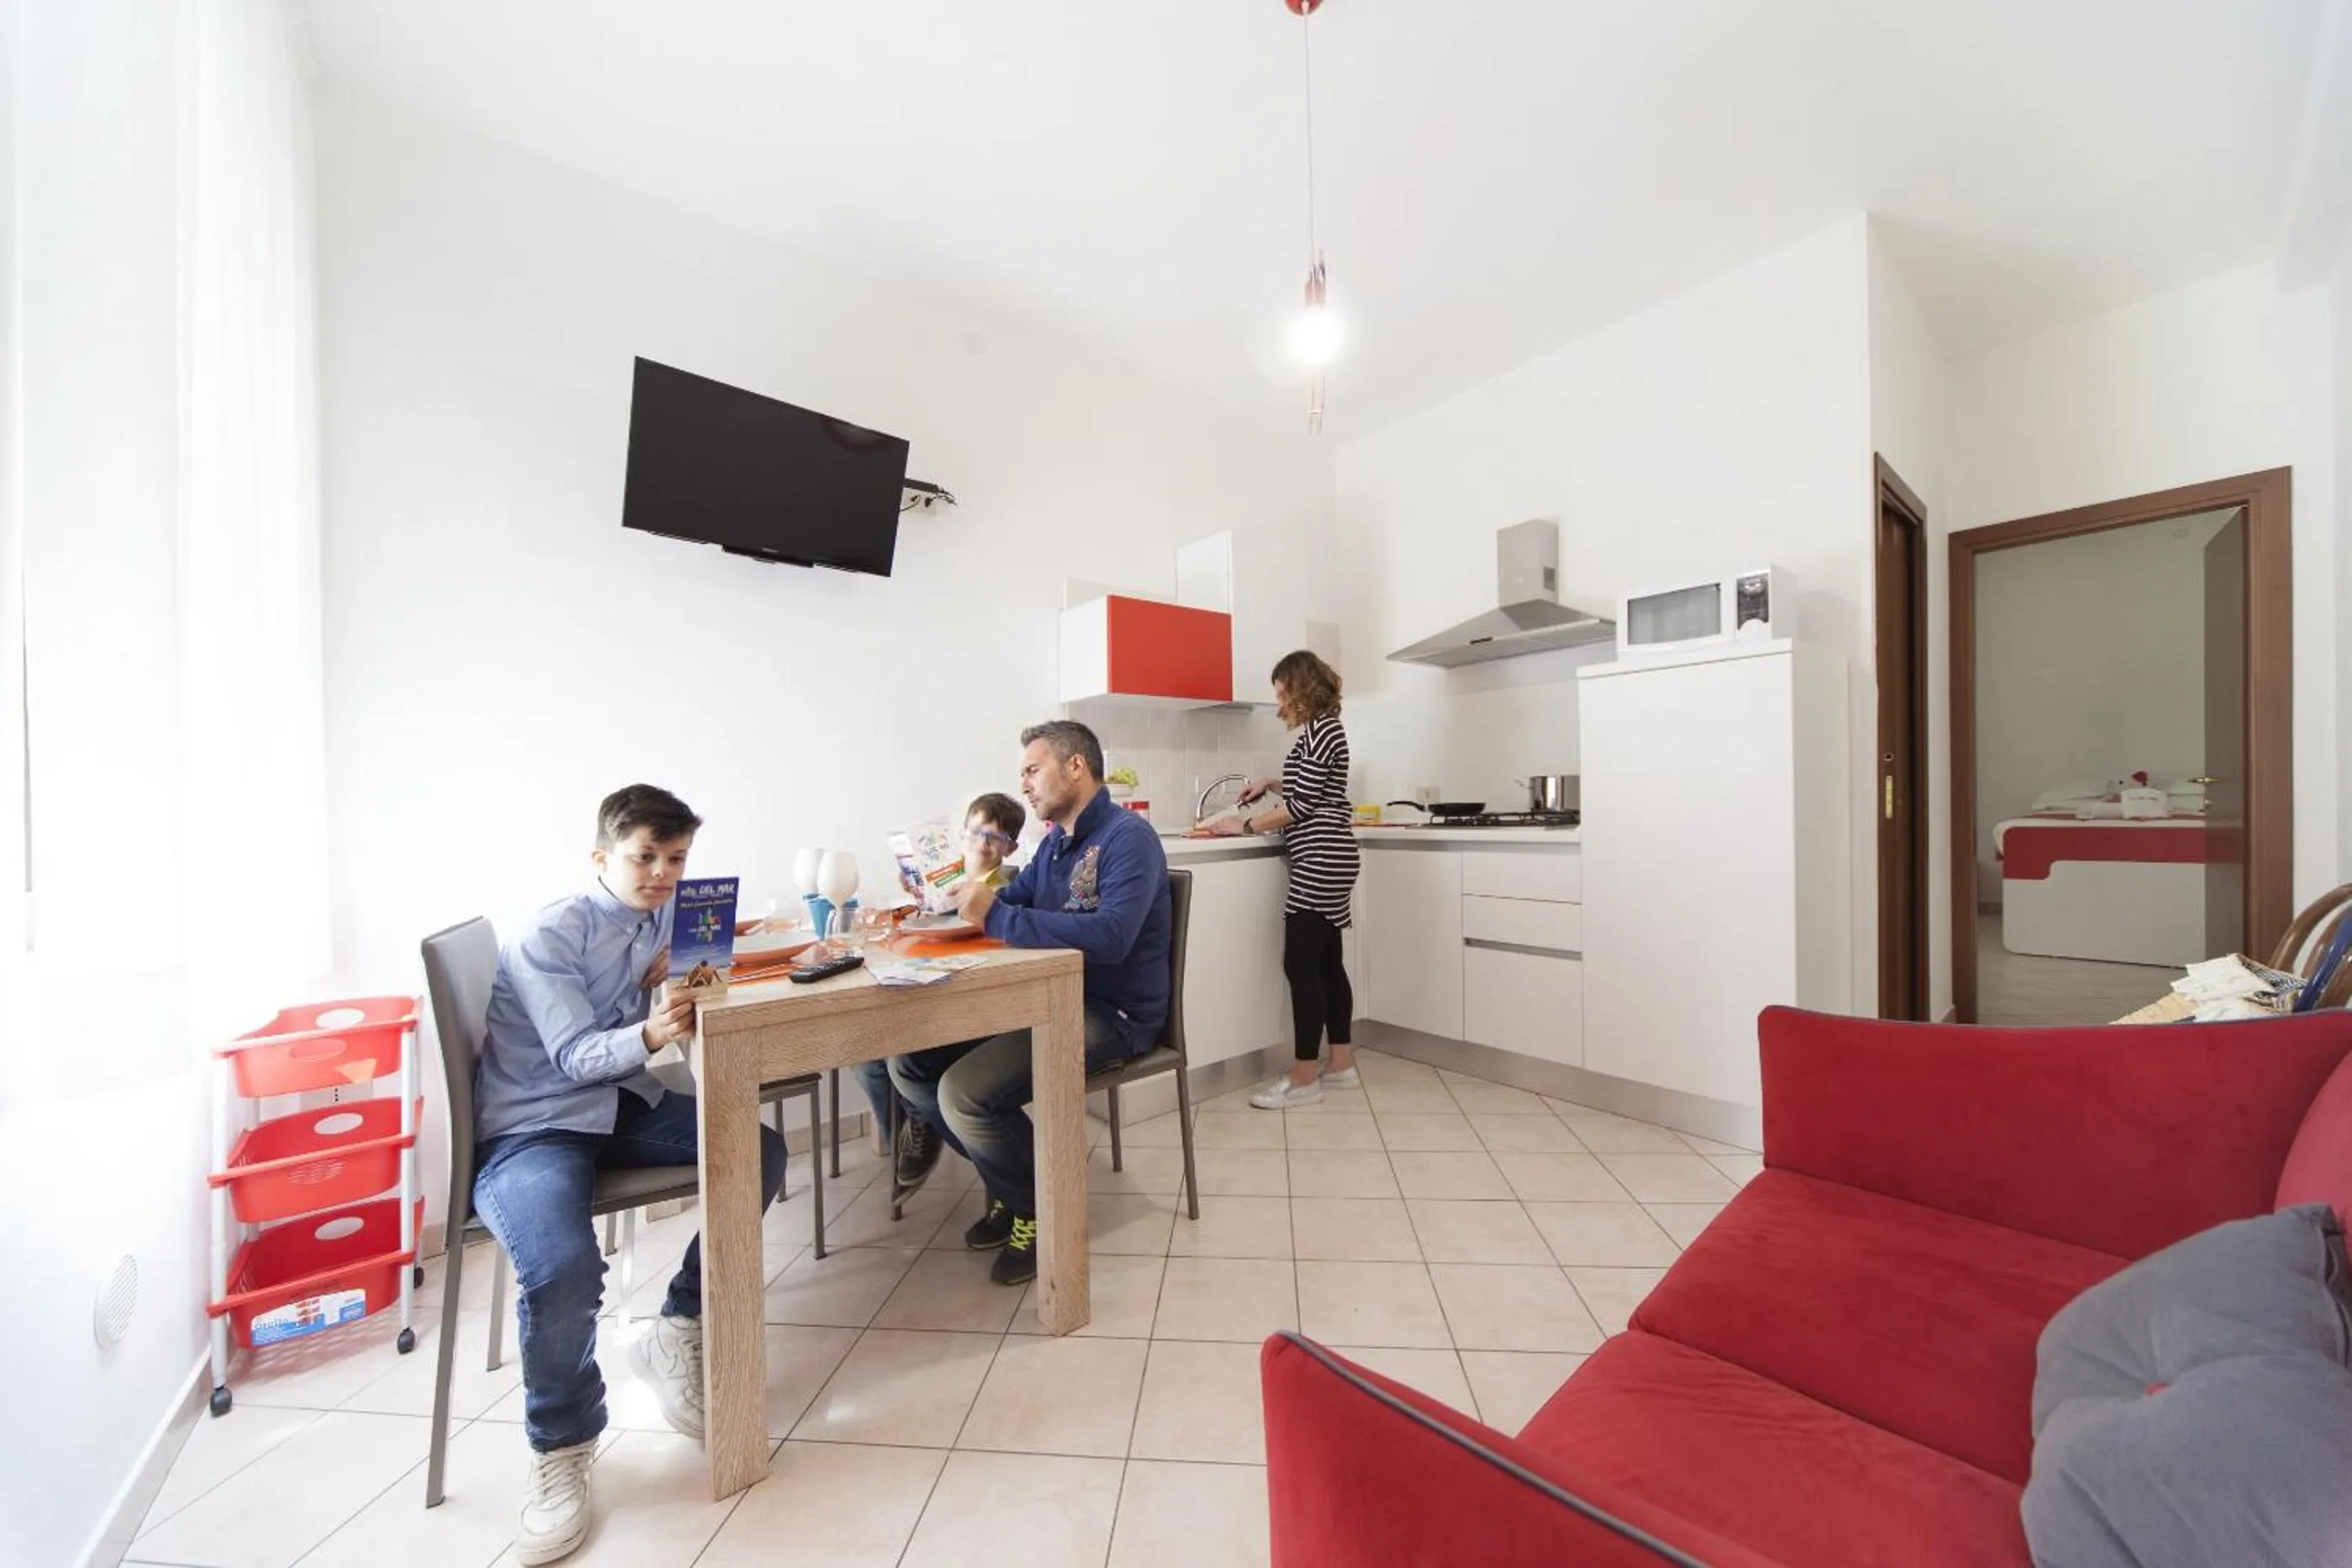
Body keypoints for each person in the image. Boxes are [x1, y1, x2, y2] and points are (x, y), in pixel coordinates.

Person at [471, 784, 787, 1565]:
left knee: (762, 1149)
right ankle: (561, 1449)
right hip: (533, 1128)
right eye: (644, 856)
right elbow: (575, 1057)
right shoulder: (551, 933)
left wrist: (687, 970)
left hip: (617, 1108)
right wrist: (652, 1022)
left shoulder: (660, 919)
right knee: (562, 1271)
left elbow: (662, 997)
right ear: (601, 856)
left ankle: (680, 1324)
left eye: (674, 859)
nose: (660, 872)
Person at [886, 721, 1170, 1284]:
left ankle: (1036, 1209)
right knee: (909, 1062)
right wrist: (943, 901)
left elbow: (1112, 936)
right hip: (1047, 999)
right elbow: (1006, 901)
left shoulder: (1126, 838)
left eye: (1032, 770)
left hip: (1111, 1014)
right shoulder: (1053, 847)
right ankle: (1012, 1185)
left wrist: (996, 913)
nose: (1024, 785)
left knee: (962, 1094)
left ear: (1075, 767)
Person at [1202, 650, 1360, 1108]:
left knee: (1301, 967)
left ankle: (1304, 1079)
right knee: (1327, 964)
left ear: (1298, 687)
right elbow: (1311, 789)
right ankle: (1342, 1065)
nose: (1278, 703)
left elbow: (1303, 807)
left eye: (1280, 692)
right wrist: (1272, 783)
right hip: (1329, 855)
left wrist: (1244, 825)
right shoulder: (1323, 730)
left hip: (1320, 858)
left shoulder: (1322, 731)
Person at [853, 791, 1027, 1192]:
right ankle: (911, 1131)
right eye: (975, 833)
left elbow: (987, 922)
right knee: (866, 1056)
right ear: (960, 836)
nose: (982, 844)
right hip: (935, 981)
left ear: (1010, 848)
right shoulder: (944, 884)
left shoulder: (1006, 883)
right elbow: (936, 930)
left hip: (974, 999)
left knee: (902, 1052)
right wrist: (920, 898)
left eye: (994, 838)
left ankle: (927, 1126)